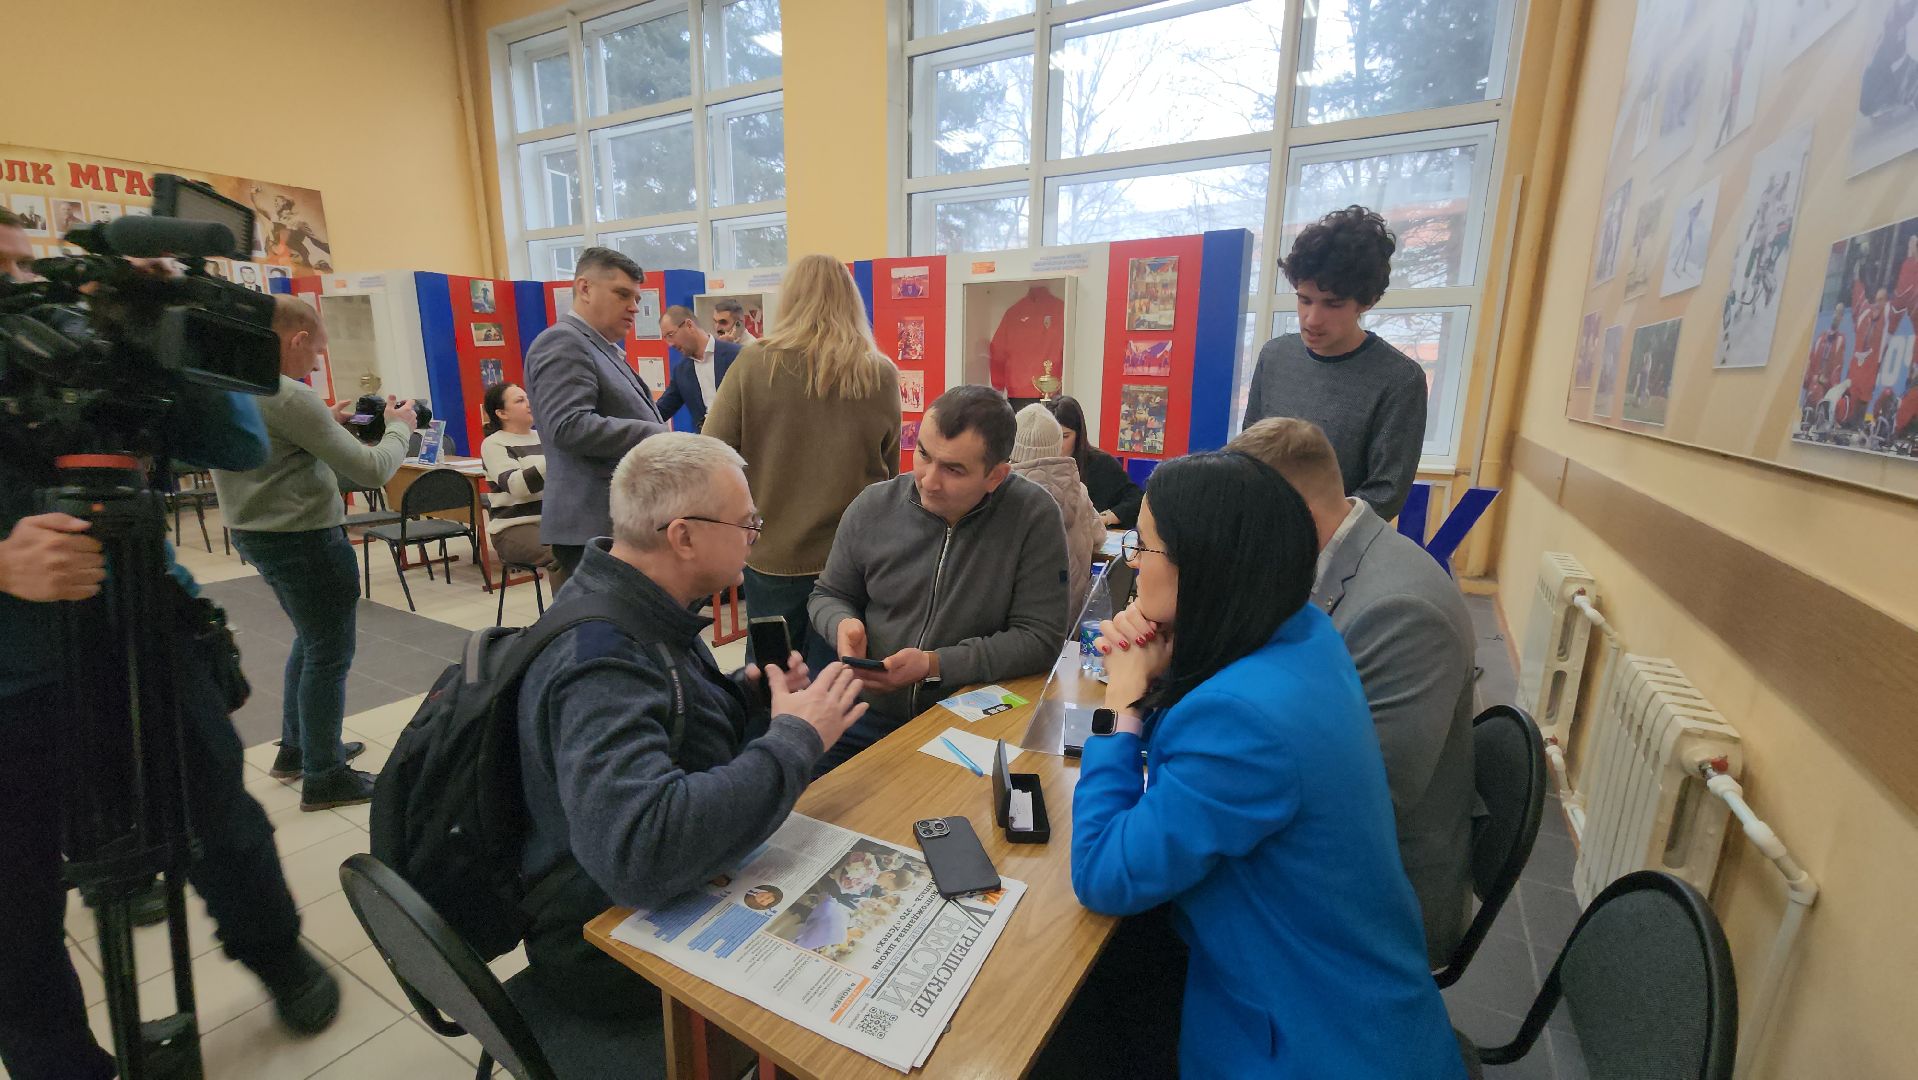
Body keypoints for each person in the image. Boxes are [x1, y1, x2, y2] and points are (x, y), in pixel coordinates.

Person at [0, 218, 340, 1079]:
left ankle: (276, 954)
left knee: (224, 822)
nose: (17, 285)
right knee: (13, 906)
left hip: (144, 630)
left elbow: (237, 442)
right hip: (11, 676)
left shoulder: (75, 340)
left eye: (23, 265)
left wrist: (156, 324)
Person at [1067, 451, 1464, 1079]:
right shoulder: (1302, 630)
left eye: (1143, 547)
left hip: (1305, 1040)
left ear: (1204, 564)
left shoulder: (1240, 719)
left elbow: (1102, 874)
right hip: (1354, 990)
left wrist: (1123, 705)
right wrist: (1173, 665)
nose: (1133, 564)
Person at [515, 433, 868, 1046]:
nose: (754, 536)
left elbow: (665, 714)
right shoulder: (598, 656)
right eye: (746, 523)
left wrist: (747, 697)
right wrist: (797, 738)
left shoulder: (636, 603)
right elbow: (638, 852)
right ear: (683, 536)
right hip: (605, 949)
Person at [1227, 418, 1477, 965]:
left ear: (1290, 513)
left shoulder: (1402, 612)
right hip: (1319, 840)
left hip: (1375, 901)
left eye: (1244, 522)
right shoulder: (1330, 562)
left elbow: (1365, 804)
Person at [213, 296, 416, 810]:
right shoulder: (288, 396)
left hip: (257, 531)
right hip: (304, 538)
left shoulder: (232, 385)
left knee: (311, 641)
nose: (318, 362)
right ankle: (325, 775)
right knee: (329, 653)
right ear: (298, 339)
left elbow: (273, 446)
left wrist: (320, 421)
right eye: (317, 351)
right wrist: (401, 427)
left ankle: (298, 748)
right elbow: (373, 470)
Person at [808, 385, 1070, 773]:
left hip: (963, 720)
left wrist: (935, 665)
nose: (929, 480)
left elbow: (1040, 638)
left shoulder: (1033, 516)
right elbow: (828, 594)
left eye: (953, 470)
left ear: (996, 476)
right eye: (923, 455)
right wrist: (842, 624)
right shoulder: (872, 507)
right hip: (861, 713)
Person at [704, 255, 901, 657]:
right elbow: (890, 474)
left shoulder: (754, 364)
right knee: (842, 675)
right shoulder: (878, 373)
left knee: (771, 674)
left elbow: (712, 452)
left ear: (790, 298)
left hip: (773, 554)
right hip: (852, 559)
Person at [1243, 205, 1428, 521]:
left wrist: (1305, 527)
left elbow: (1385, 494)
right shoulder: (1274, 355)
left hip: (1334, 542)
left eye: (1333, 304)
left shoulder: (1399, 379)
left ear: (1367, 302)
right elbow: (1250, 453)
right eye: (1304, 300)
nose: (1312, 319)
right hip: (1258, 529)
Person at [523, 247, 665, 578]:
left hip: (618, 521)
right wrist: (658, 435)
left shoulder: (600, 347)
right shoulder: (563, 342)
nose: (634, 307)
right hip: (592, 527)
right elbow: (569, 426)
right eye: (622, 294)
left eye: (637, 298)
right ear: (585, 288)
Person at [1009, 404, 1104, 619]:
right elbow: (1099, 536)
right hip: (1070, 619)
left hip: (1020, 623)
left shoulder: (1003, 494)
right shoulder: (1079, 491)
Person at [479, 381, 567, 594]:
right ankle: (568, 614)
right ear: (501, 413)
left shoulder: (544, 437)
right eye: (520, 400)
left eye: (528, 398)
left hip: (551, 522)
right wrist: (556, 456)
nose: (530, 403)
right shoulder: (494, 444)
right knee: (563, 555)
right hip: (513, 528)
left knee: (596, 546)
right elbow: (516, 486)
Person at [1045, 395, 1143, 529]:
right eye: (1052, 437)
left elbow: (1136, 500)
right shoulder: (1037, 463)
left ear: (1079, 435)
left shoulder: (1102, 463)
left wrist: (1106, 518)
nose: (1058, 444)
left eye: (1065, 436)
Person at [656, 304, 741, 430]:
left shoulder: (737, 355)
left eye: (671, 335)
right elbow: (661, 411)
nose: (670, 344)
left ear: (689, 325)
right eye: (665, 338)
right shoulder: (681, 372)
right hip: (707, 440)